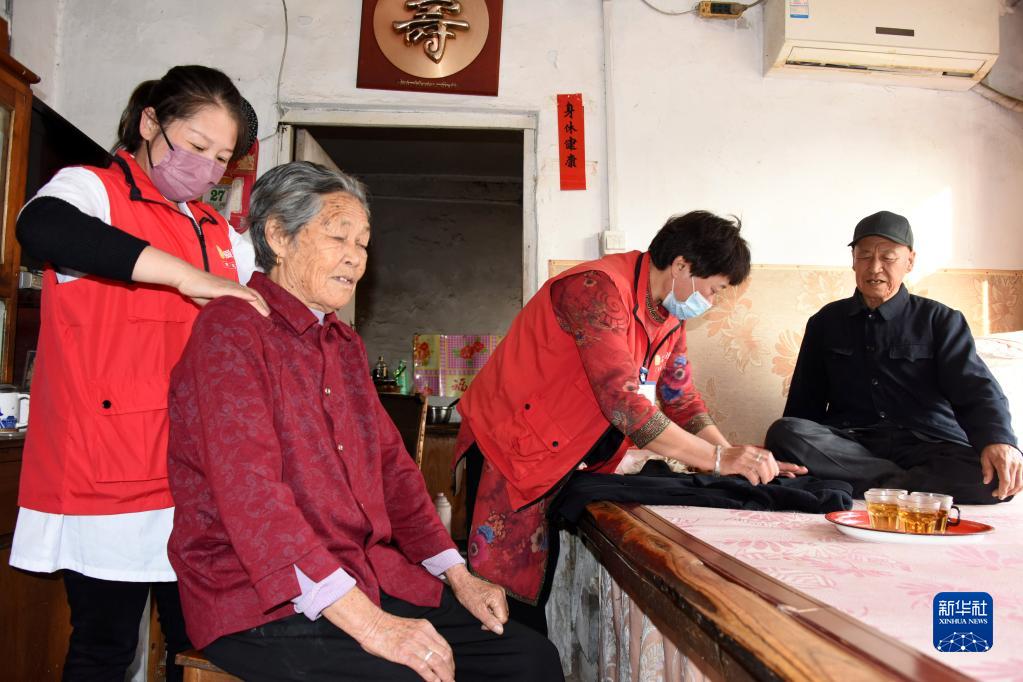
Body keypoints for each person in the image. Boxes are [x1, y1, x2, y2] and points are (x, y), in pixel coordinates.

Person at [166, 161, 563, 682]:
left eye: (363, 243)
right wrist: (374, 627)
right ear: (278, 236)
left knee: (530, 659)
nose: (355, 257)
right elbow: (252, 497)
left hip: (361, 574)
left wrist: (458, 575)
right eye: (337, 237)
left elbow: (393, 470)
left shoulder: (343, 344)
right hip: (259, 597)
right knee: (416, 674)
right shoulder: (231, 330)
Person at [10, 65, 268, 681]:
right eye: (196, 146)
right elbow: (41, 227)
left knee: (200, 646)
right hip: (108, 474)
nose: (206, 169)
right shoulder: (94, 190)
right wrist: (186, 277)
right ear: (151, 123)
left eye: (221, 159)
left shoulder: (216, 230)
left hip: (194, 479)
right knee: (105, 649)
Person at [453, 211, 807, 632]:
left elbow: (680, 397)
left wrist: (734, 457)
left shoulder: (669, 316)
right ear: (681, 265)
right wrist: (717, 459)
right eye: (713, 290)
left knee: (532, 589)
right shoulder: (596, 289)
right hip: (508, 448)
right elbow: (624, 405)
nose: (710, 302)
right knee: (500, 598)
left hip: (557, 453)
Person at [765, 210, 1023, 504]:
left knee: (994, 475)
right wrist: (792, 449)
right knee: (785, 432)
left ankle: (879, 486)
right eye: (864, 256)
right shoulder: (826, 322)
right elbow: (804, 405)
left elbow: (976, 387)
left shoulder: (940, 320)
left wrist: (999, 440)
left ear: (909, 261)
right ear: (853, 260)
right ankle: (906, 485)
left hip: (928, 445)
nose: (874, 267)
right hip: (853, 445)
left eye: (888, 257)